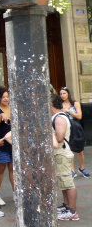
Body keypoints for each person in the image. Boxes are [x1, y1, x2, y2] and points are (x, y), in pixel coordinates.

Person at [51, 93, 79, 221]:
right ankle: (67, 206)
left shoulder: (59, 118)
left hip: (62, 154)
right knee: (63, 182)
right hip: (60, 154)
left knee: (67, 183)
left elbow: (59, 138)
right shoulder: (56, 117)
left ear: (51, 104)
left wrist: (49, 135)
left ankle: (72, 211)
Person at [59, 86, 90, 178]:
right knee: (69, 150)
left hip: (76, 127)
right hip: (65, 128)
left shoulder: (74, 103)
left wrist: (68, 111)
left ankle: (82, 168)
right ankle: (72, 170)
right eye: (60, 94)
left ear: (68, 94)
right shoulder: (59, 104)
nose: (62, 95)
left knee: (80, 150)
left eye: (64, 93)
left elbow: (79, 116)